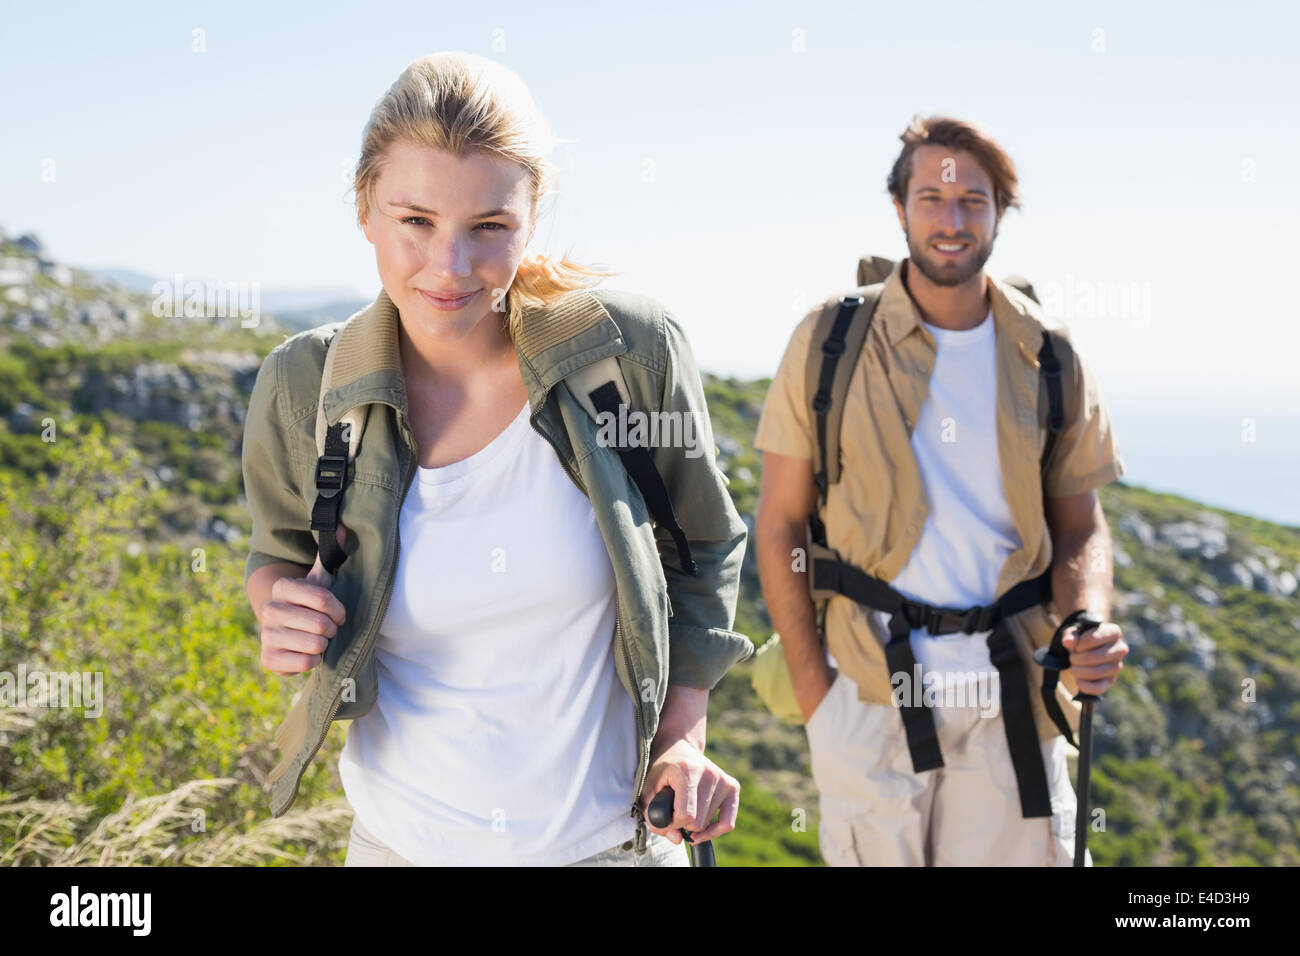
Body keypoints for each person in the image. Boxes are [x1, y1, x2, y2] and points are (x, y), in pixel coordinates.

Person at [241, 52, 752, 866]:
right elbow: (277, 555)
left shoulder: (630, 353)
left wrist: (681, 738)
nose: (449, 268)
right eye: (414, 221)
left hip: (613, 849)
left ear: (533, 216)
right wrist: (279, 610)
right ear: (365, 208)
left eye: (489, 227)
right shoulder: (305, 385)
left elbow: (703, 547)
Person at [754, 115, 1129, 866]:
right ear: (900, 208)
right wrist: (815, 694)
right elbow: (780, 523)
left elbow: (1081, 525)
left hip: (1015, 698)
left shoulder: (1050, 354)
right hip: (866, 697)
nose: (951, 221)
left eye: (973, 202)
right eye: (932, 198)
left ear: (999, 212)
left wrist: (1086, 619)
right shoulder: (829, 340)